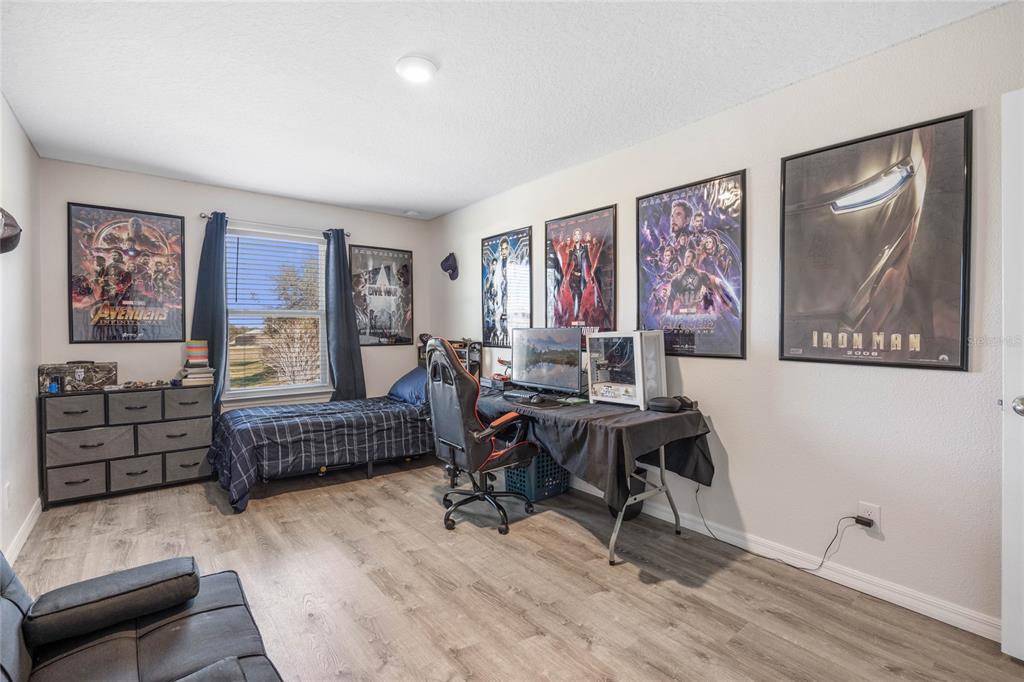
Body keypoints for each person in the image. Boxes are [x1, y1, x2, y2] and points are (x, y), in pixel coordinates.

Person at [668, 249, 736, 316]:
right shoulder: (676, 279)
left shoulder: (701, 275)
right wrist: (668, 313)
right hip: (681, 313)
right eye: (685, 257)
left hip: (697, 313)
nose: (685, 259)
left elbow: (710, 292)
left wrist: (711, 309)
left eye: (688, 257)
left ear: (694, 260)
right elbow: (671, 298)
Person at [563, 228, 592, 321]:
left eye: (578, 234)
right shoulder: (571, 251)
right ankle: (576, 318)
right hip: (573, 277)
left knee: (579, 297)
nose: (577, 236)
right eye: (575, 234)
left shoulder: (585, 248)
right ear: (573, 237)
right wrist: (565, 279)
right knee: (575, 297)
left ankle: (577, 318)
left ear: (581, 236)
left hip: (582, 278)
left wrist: (590, 276)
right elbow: (568, 265)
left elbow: (589, 263)